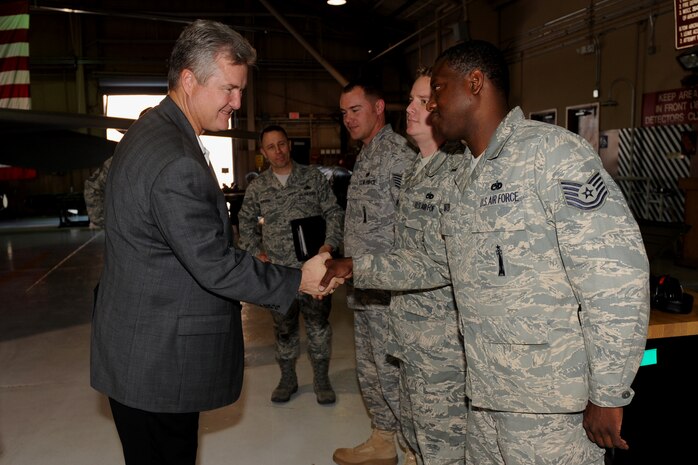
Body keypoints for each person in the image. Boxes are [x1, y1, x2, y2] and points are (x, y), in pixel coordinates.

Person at [324, 40, 650, 465]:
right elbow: (437, 262)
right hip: (483, 397)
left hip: (547, 407)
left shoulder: (551, 155)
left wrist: (608, 392)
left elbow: (615, 277)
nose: (430, 105)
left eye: (438, 90)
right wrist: (355, 266)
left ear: (474, 83)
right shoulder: (467, 174)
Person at [90, 19, 340, 465]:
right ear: (189, 79)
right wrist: (296, 280)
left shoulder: (150, 130)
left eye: (241, 90)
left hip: (138, 348)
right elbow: (213, 263)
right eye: (228, 89)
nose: (237, 103)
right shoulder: (175, 160)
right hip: (158, 362)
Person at [332, 78, 416, 465]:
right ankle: (384, 440)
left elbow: (412, 230)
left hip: (388, 293)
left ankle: (416, 451)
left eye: (356, 110)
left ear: (379, 107)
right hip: (364, 290)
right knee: (371, 372)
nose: (349, 119)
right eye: (344, 112)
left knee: (396, 377)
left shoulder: (398, 155)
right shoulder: (366, 154)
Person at [237, 125, 345, 404]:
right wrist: (255, 252)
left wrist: (328, 246)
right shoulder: (259, 186)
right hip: (278, 273)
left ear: (289, 145)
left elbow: (334, 212)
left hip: (313, 268)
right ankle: (288, 378)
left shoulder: (312, 178)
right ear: (263, 152)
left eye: (282, 144)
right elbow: (245, 221)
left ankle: (321, 379)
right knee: (283, 329)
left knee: (318, 325)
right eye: (271, 147)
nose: (278, 151)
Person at [83, 107, 152, 229]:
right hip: (136, 234)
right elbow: (92, 188)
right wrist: (107, 222)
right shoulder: (123, 159)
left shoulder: (173, 156)